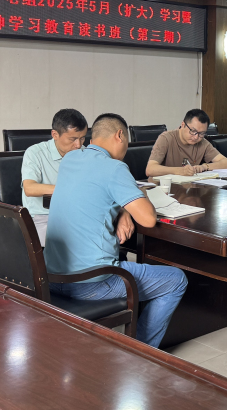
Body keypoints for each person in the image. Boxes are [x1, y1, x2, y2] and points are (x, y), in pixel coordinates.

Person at [45, 113, 187, 348]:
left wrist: (124, 210)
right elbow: (148, 219)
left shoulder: (70, 159)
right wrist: (137, 197)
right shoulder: (115, 168)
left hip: (51, 276)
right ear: (120, 135)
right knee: (176, 280)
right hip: (91, 282)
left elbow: (95, 194)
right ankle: (140, 352)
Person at [21, 108, 88, 245]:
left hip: (76, 215)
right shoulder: (35, 153)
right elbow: (29, 188)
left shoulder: (84, 153)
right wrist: (67, 190)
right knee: (72, 245)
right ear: (55, 134)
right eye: (73, 139)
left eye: (82, 138)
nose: (78, 145)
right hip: (44, 217)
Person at [145, 109, 227, 177]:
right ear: (183, 125)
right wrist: (180, 171)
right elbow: (150, 169)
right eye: (193, 131)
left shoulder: (202, 142)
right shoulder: (166, 138)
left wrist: (204, 167)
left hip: (188, 188)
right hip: (164, 188)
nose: (196, 137)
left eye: (202, 133)